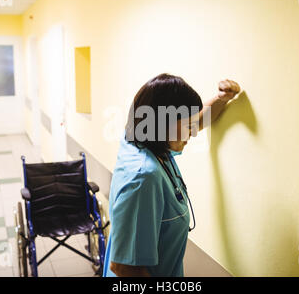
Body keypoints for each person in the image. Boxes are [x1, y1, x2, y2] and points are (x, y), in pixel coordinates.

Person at [103, 73, 241, 277]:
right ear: (161, 122)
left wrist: (222, 98)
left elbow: (199, 120)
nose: (193, 133)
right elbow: (125, 269)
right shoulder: (143, 177)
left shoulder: (141, 139)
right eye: (187, 126)